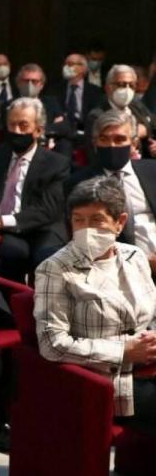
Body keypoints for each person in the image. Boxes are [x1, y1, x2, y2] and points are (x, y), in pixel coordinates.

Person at [34, 176, 156, 436]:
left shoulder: (134, 257)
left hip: (149, 365)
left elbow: (152, 313)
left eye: (97, 220)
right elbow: (52, 344)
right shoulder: (54, 268)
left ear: (119, 222)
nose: (86, 228)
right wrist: (123, 351)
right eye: (79, 220)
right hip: (109, 379)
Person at [0, 97, 70, 280]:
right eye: (12, 125)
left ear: (38, 130)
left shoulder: (55, 164)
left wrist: (0, 222)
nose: (16, 131)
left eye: (23, 125)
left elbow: (47, 210)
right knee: (11, 251)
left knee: (47, 257)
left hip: (38, 228)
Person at [68, 111, 156, 267]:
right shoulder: (80, 183)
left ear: (134, 143)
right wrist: (142, 262)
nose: (112, 145)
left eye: (120, 139)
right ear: (95, 143)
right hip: (117, 265)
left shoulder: (152, 170)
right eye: (104, 139)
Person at [84, 65, 156, 161]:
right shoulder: (97, 116)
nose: (127, 90)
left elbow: (152, 121)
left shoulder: (135, 104)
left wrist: (146, 130)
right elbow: (96, 156)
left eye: (131, 85)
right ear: (108, 88)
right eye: (121, 84)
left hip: (146, 163)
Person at [49, 52, 105, 135]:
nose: (66, 67)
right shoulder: (55, 89)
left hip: (86, 132)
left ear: (82, 68)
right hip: (62, 132)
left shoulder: (95, 91)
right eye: (65, 64)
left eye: (70, 64)